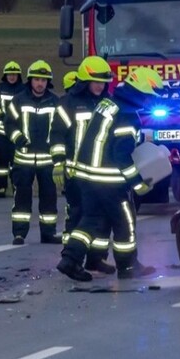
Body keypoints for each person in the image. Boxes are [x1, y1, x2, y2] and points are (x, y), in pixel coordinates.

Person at [57, 66, 163, 281]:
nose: (150, 102)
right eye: (149, 97)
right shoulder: (127, 116)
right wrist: (137, 183)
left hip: (86, 177)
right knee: (125, 223)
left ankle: (69, 259)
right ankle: (127, 267)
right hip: (109, 181)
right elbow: (121, 156)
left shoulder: (108, 104)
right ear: (141, 93)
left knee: (90, 221)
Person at [59, 56, 117, 275]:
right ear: (84, 81)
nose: (100, 86)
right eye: (95, 81)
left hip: (99, 171)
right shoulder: (68, 103)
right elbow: (56, 136)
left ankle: (95, 259)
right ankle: (72, 259)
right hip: (75, 171)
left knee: (101, 217)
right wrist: (58, 164)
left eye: (103, 82)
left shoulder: (107, 103)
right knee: (79, 215)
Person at [4, 60, 64, 245]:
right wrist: (18, 138)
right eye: (37, 79)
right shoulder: (19, 100)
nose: (40, 83)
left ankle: (48, 233)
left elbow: (61, 128)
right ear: (30, 80)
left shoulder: (55, 102)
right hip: (23, 159)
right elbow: (8, 124)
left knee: (49, 198)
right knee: (22, 197)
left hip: (48, 160)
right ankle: (19, 234)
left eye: (44, 80)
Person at [0, 61, 26, 197]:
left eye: (14, 74)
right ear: (5, 75)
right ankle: (1, 187)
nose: (12, 76)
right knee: (1, 163)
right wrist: (1, 117)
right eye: (9, 74)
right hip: (2, 133)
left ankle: (16, 186)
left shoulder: (23, 89)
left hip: (18, 132)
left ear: (18, 75)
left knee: (16, 162)